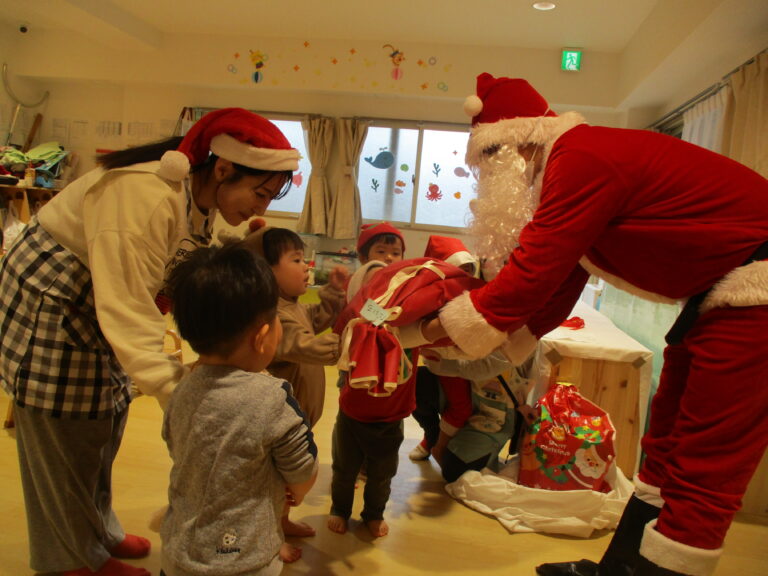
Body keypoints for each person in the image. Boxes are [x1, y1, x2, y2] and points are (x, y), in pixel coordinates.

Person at [422, 73, 768, 576]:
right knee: (666, 442)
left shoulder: (581, 157)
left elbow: (532, 275)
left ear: (517, 144)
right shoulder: (569, 169)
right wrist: (463, 349)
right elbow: (552, 294)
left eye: (490, 163)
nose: (488, 180)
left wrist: (435, 330)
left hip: (755, 293)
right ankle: (620, 568)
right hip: (720, 298)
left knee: (704, 463)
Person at [0, 107, 299, 576]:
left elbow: (178, 272)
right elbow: (126, 305)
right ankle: (69, 560)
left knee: (106, 418)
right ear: (222, 169)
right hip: (56, 299)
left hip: (100, 302)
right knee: (65, 432)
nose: (260, 209)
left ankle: (98, 533)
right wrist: (179, 391)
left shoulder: (200, 202)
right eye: (258, 193)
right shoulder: (143, 195)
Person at [160, 243, 318, 576]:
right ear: (263, 338)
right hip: (245, 558)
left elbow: (174, 444)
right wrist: (297, 492)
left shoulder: (182, 387)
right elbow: (302, 472)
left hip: (177, 551)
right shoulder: (274, 398)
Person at [241, 224, 347, 556]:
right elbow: (297, 344)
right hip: (279, 424)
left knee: (285, 479)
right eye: (297, 259)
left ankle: (282, 521)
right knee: (273, 481)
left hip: (299, 417)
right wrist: (346, 344)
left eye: (305, 259)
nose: (307, 266)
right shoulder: (271, 315)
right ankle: (270, 538)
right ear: (265, 271)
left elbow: (313, 320)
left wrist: (332, 297)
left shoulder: (294, 305)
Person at [409, 235, 477, 462]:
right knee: (416, 396)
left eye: (468, 269)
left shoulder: (471, 293)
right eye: (459, 269)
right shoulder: (429, 295)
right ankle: (434, 440)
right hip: (444, 363)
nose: (464, 275)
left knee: (461, 407)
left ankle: (439, 444)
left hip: (471, 365)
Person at [346, 221, 406, 301]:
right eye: (381, 251)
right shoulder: (355, 281)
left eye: (395, 253)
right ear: (364, 258)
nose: (389, 257)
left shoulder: (402, 280)